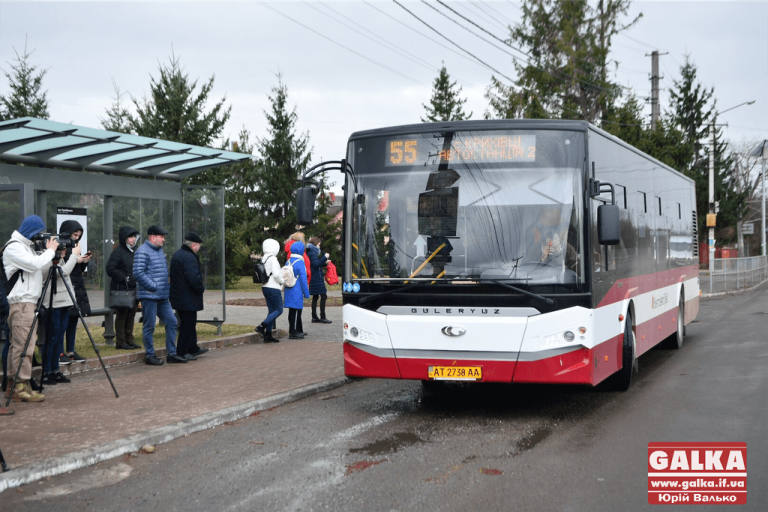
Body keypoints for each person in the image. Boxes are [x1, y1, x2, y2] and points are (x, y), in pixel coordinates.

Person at [3, 215, 58, 403]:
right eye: (38, 233)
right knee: (23, 346)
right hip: (22, 303)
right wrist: (49, 252)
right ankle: (20, 386)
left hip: (28, 303)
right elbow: (34, 264)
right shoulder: (14, 247)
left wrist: (53, 257)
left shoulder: (26, 248)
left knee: (20, 345)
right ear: (31, 231)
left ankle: (16, 385)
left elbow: (39, 272)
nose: (39, 237)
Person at [132, 225, 183, 365]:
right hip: (149, 296)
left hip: (162, 296)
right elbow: (138, 272)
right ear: (153, 237)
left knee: (172, 322)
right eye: (162, 237)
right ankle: (150, 355)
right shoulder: (142, 251)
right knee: (149, 326)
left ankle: (171, 354)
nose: (164, 240)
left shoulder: (159, 250)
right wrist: (153, 286)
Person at [39, 243, 80, 385]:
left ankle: (55, 370)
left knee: (58, 337)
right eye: (61, 249)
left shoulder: (59, 259)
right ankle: (46, 372)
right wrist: (74, 256)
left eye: (65, 249)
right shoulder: (45, 258)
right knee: (51, 338)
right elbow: (61, 272)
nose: (64, 252)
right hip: (52, 305)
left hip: (64, 303)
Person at [169, 232, 207, 360]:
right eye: (199, 245)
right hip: (187, 297)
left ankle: (192, 347)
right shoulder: (189, 257)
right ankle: (183, 351)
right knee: (187, 324)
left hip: (180, 296)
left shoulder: (179, 254)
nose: (199, 248)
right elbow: (194, 278)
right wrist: (201, 288)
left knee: (189, 323)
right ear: (194, 245)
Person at [60, 220, 91, 364]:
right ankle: (60, 352)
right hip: (64, 290)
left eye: (79, 235)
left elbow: (76, 271)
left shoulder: (75, 247)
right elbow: (63, 270)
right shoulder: (59, 247)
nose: (76, 238)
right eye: (75, 234)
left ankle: (70, 351)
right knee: (62, 323)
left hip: (76, 289)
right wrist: (74, 258)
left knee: (73, 321)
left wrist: (84, 262)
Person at [106, 226, 141, 350]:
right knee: (122, 315)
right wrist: (124, 278)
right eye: (130, 237)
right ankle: (121, 342)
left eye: (134, 237)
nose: (133, 239)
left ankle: (129, 340)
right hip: (122, 289)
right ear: (124, 238)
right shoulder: (118, 252)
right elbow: (110, 268)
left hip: (134, 288)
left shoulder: (136, 250)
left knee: (131, 315)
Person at [255, 238, 284, 343]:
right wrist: (283, 281)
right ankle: (262, 326)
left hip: (265, 287)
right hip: (274, 287)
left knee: (271, 311)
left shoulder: (263, 258)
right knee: (279, 309)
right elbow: (276, 275)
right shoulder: (273, 259)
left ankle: (268, 335)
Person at [284, 241, 309, 339]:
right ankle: (294, 332)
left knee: (292, 311)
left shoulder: (289, 261)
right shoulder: (300, 262)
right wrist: (306, 293)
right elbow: (303, 279)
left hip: (289, 288)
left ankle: (295, 330)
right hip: (297, 289)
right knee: (297, 311)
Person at [306, 237, 332, 324]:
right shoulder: (313, 253)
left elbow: (315, 264)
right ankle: (322, 317)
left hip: (315, 277)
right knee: (323, 296)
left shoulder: (310, 252)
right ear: (315, 244)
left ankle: (314, 316)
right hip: (317, 277)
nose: (319, 246)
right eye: (319, 244)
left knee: (315, 297)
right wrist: (325, 257)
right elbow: (316, 264)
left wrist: (324, 263)